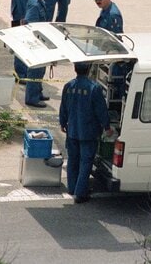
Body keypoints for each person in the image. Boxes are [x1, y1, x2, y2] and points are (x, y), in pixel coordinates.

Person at [59, 62, 113, 203]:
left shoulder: (68, 86)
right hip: (88, 132)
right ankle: (80, 193)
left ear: (75, 69)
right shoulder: (93, 88)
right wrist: (107, 127)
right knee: (86, 162)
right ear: (89, 70)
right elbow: (101, 111)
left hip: (72, 131)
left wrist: (62, 122)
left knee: (73, 160)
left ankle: (72, 188)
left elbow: (63, 107)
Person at [24, 0, 56, 108]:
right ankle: (32, 98)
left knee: (41, 69)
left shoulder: (40, 1)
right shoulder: (34, 4)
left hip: (41, 41)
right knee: (35, 70)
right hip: (36, 43)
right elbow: (30, 25)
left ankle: (37, 92)